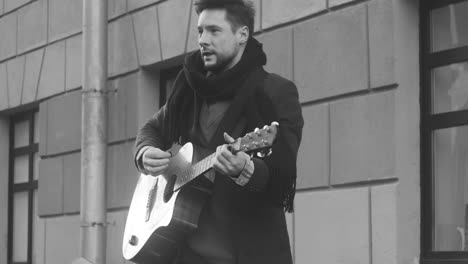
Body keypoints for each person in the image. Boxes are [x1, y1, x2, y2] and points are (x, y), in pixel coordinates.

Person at [134, 0, 303, 263]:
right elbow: (152, 128)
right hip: (184, 251)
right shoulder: (188, 89)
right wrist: (145, 152)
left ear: (242, 35)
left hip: (247, 254)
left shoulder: (274, 93)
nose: (203, 40)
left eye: (214, 31)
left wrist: (245, 169)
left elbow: (282, 173)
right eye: (200, 31)